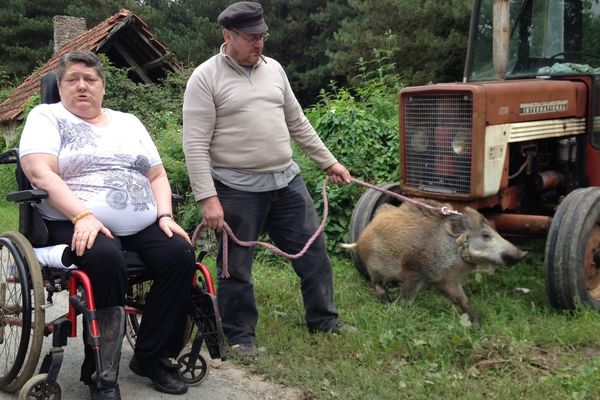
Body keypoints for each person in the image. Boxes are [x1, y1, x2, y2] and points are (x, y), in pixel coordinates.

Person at [182, 1, 357, 359]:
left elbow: (298, 122)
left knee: (314, 252)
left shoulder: (274, 69)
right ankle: (240, 335)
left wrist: (329, 163)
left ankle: (324, 319)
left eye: (262, 36)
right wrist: (207, 198)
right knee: (236, 267)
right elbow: (195, 144)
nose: (259, 44)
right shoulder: (205, 77)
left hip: (286, 183)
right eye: (251, 37)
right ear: (227, 35)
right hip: (235, 189)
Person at [19, 50, 195, 399]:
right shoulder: (47, 116)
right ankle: (101, 373)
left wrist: (164, 216)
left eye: (90, 79)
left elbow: (157, 175)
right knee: (106, 258)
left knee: (180, 254)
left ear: (103, 87)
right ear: (61, 86)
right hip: (73, 219)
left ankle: (152, 357)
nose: (82, 86)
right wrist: (82, 215)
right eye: (73, 79)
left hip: (142, 223)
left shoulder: (129, 121)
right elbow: (39, 171)